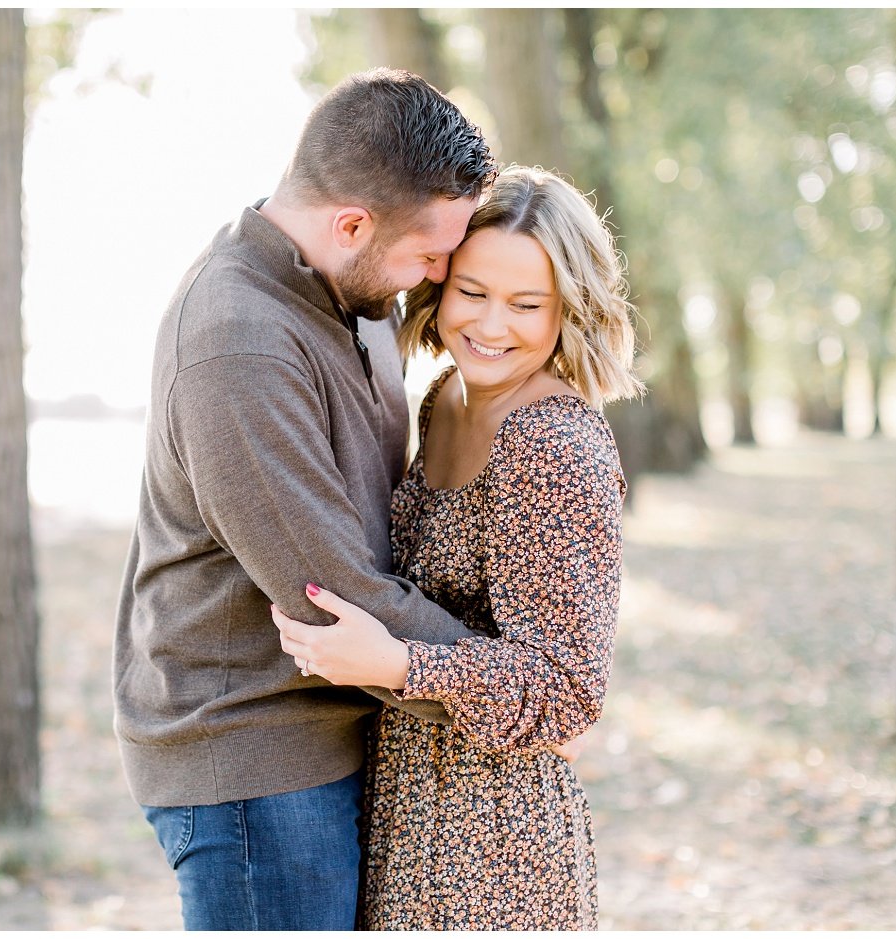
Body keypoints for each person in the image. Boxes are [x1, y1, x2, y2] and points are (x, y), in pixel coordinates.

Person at [111, 68, 499, 930]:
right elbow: (335, 595)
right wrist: (510, 690)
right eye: (430, 253)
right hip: (254, 763)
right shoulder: (236, 342)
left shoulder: (353, 287)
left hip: (335, 732)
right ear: (352, 222)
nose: (439, 276)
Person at [272, 165, 643, 929]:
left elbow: (569, 687)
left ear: (567, 310)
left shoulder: (553, 445)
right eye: (472, 293)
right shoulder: (446, 399)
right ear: (439, 287)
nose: (492, 325)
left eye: (526, 304)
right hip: (406, 807)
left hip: (497, 844)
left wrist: (400, 664)